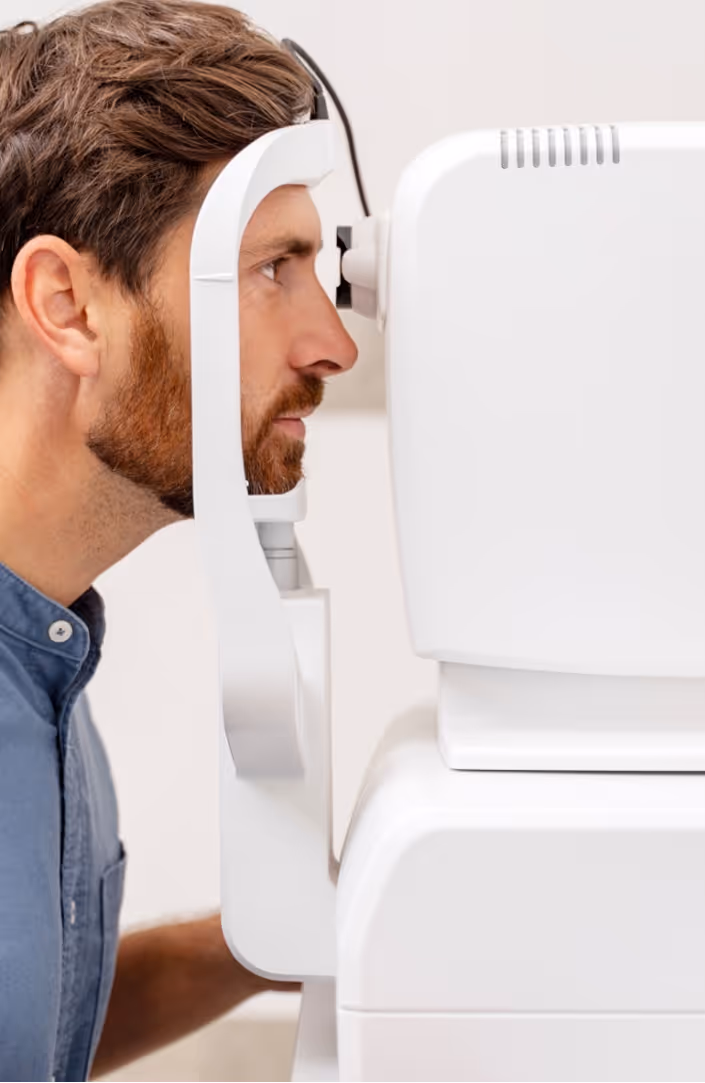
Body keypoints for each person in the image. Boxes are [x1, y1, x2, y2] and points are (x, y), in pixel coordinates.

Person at [0, 1, 358, 1079]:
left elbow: (35, 1028)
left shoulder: (44, 658)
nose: (333, 343)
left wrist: (263, 943)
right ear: (67, 303)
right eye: (269, 269)